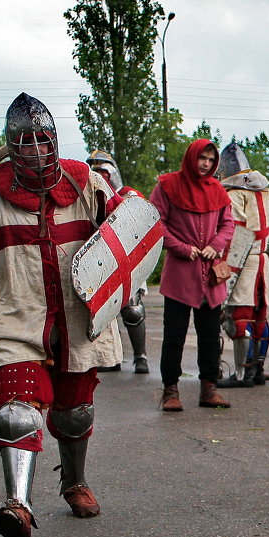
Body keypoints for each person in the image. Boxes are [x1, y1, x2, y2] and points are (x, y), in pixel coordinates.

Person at [0, 93, 126, 537]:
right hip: (20, 315)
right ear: (11, 145)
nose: (35, 149)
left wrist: (129, 291)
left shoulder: (84, 180)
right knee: (16, 413)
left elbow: (126, 232)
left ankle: (74, 481)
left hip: (78, 315)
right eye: (25, 141)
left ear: (55, 140)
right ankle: (19, 504)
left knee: (75, 413)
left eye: (43, 139)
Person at [151, 139, 235, 412]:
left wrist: (215, 246)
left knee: (210, 334)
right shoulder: (167, 185)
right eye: (202, 158)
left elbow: (227, 224)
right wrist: (181, 247)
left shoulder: (218, 190)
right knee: (174, 335)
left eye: (211, 160)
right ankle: (170, 391)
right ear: (192, 157)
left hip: (210, 275)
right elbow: (156, 222)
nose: (206, 164)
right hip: (180, 274)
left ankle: (209, 388)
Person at [216, 142, 269, 388]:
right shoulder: (267, 193)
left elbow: (236, 235)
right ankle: (257, 369)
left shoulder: (234, 195)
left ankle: (243, 374)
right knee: (259, 318)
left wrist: (226, 271)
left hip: (243, 260)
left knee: (239, 318)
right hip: (262, 259)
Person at [86, 150, 150, 374]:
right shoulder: (87, 199)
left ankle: (140, 357)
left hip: (127, 260)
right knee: (103, 311)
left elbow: (143, 225)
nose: (100, 176)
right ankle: (109, 357)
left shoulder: (129, 195)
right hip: (101, 262)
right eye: (96, 172)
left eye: (104, 171)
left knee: (132, 310)